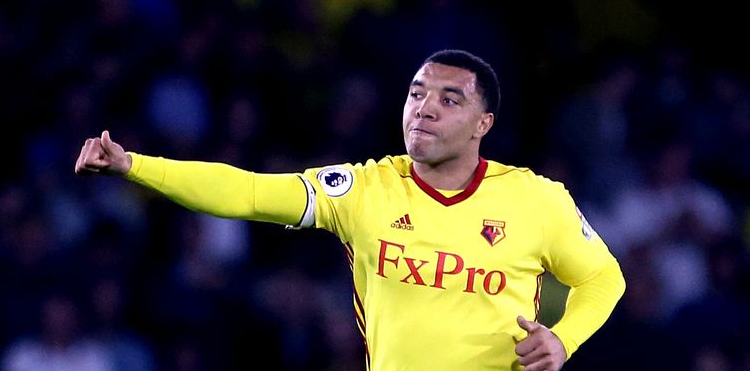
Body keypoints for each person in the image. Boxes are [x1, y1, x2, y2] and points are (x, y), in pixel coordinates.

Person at [75, 49, 625, 371]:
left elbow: (604, 277)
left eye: (449, 99)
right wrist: (135, 166)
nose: (425, 109)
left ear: (484, 124)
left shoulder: (536, 199)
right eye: (416, 93)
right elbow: (248, 193)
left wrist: (562, 338)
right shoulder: (365, 189)